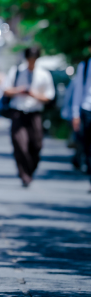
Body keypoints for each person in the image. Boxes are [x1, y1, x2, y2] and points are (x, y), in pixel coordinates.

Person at [0, 47, 55, 187]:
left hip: (35, 112)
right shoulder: (17, 71)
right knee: (19, 143)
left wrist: (33, 94)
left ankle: (30, 169)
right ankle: (24, 174)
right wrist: (19, 90)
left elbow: (49, 96)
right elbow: (5, 90)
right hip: (18, 111)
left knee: (36, 144)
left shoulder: (44, 74)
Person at [70, 38, 91, 190]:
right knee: (88, 145)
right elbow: (78, 92)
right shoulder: (84, 66)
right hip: (87, 109)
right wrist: (75, 113)